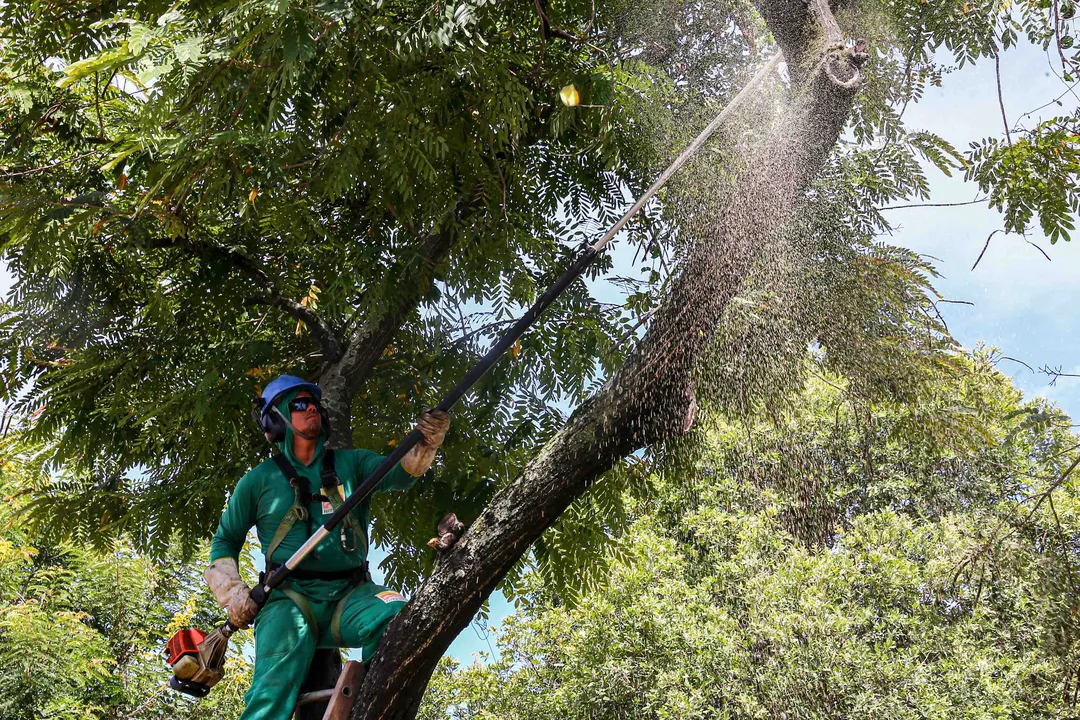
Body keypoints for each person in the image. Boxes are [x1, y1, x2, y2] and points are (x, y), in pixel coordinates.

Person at [204, 374, 449, 720]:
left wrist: (427, 443)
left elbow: (403, 471)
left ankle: (371, 709)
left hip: (350, 596)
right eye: (299, 404)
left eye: (314, 403)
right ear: (276, 420)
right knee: (268, 699)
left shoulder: (353, 465)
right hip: (288, 600)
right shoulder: (257, 481)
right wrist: (233, 593)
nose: (311, 410)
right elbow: (224, 541)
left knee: (399, 617)